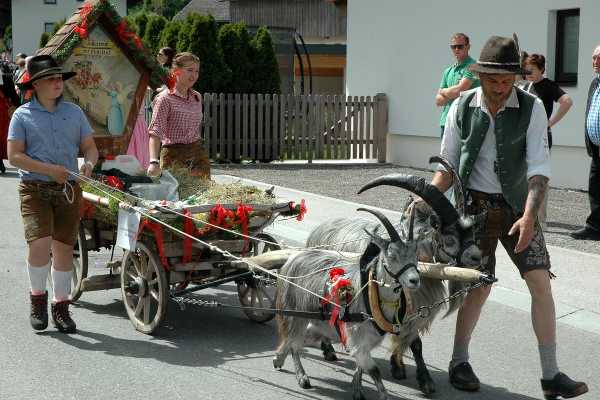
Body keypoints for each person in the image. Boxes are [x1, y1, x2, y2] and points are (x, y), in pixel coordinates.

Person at [433, 35, 587, 399]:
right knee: (479, 285)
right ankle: (459, 361)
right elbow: (448, 165)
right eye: (494, 81)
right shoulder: (462, 107)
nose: (502, 88)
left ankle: (550, 375)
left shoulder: (533, 108)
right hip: (476, 208)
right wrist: (425, 199)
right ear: (481, 76)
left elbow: (539, 169)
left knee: (540, 282)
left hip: (520, 207)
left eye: (508, 81)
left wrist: (531, 215)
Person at [7, 55, 99, 333]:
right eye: (51, 78)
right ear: (35, 84)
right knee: (39, 244)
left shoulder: (74, 112)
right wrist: (49, 169)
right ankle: (38, 299)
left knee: (63, 247)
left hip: (69, 189)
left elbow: (90, 147)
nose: (58, 82)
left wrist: (90, 164)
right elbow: (14, 157)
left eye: (60, 78)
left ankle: (61, 307)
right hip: (34, 189)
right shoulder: (22, 115)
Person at [522, 53, 573, 227]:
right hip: (526, 137)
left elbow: (567, 101)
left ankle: (541, 219)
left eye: (532, 70)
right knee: (524, 176)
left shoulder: (549, 85)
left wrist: (550, 123)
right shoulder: (527, 86)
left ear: (542, 69)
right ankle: (526, 215)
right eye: (526, 69)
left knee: (540, 176)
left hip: (542, 138)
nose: (528, 72)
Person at [147, 52, 210, 179]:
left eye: (196, 71)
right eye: (189, 70)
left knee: (202, 195)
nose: (194, 75)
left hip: (197, 155)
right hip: (173, 156)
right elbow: (155, 132)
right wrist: (154, 161)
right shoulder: (164, 98)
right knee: (176, 197)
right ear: (176, 71)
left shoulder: (197, 97)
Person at [570, 45, 600, 240]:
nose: (596, 62)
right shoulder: (594, 83)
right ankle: (595, 227)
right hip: (596, 149)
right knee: (596, 188)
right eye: (594, 58)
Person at [436, 33, 479, 137]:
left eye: (460, 46)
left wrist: (443, 92)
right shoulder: (448, 71)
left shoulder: (473, 66)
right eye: (453, 47)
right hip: (446, 121)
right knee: (446, 154)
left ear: (468, 47)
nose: (456, 49)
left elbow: (459, 91)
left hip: (466, 121)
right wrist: (451, 93)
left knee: (464, 153)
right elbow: (438, 101)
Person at [0, 65, 20, 173]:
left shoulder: (5, 75)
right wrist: (17, 104)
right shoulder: (6, 75)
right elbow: (12, 93)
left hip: (3, 109)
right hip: (4, 109)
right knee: (3, 135)